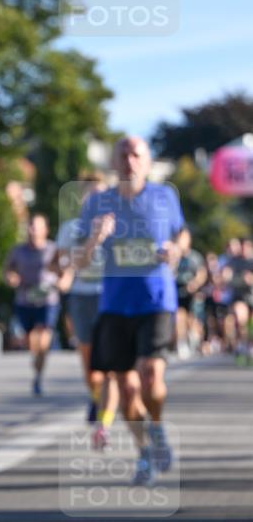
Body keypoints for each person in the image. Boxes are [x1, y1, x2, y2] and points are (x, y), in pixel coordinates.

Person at [78, 136, 184, 486]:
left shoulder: (164, 196)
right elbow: (78, 263)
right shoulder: (97, 203)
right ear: (113, 162)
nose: (130, 160)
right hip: (115, 304)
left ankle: (157, 426)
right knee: (126, 389)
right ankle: (144, 453)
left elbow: (182, 235)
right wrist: (94, 239)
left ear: (148, 162)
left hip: (156, 299)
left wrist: (175, 250)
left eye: (136, 154)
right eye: (122, 154)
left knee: (151, 376)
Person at [55, 173, 118, 448]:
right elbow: (66, 263)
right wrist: (94, 238)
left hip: (110, 297)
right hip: (81, 296)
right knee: (90, 367)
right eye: (89, 194)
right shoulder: (70, 228)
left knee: (111, 367)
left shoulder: (121, 226)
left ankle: (104, 424)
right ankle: (95, 397)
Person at [4, 213, 59, 396]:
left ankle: (38, 376)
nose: (32, 230)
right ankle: (38, 364)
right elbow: (8, 270)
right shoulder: (18, 251)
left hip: (47, 299)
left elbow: (65, 269)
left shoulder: (53, 249)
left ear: (45, 230)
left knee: (42, 336)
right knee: (32, 341)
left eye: (36, 227)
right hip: (25, 300)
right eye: (30, 226)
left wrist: (62, 281)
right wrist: (11, 278)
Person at [174, 227, 207, 358]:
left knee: (192, 319)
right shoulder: (173, 255)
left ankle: (196, 340)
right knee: (179, 317)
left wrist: (195, 284)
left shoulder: (195, 257)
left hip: (192, 293)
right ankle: (181, 343)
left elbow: (202, 274)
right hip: (177, 291)